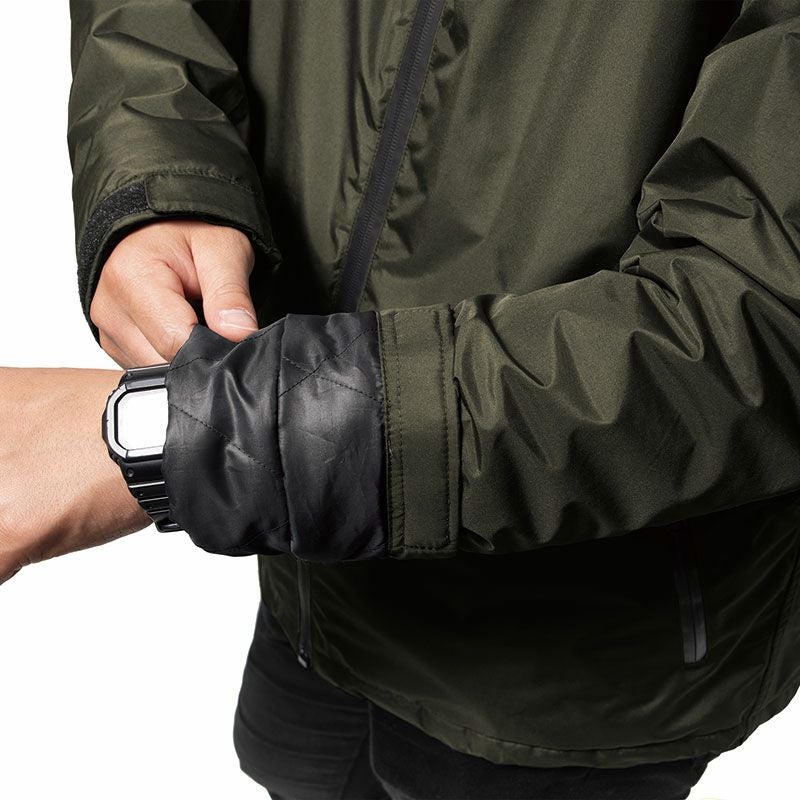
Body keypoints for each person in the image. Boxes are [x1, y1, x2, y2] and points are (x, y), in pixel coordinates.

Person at [2, 0, 800, 797]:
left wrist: (190, 431)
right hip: (311, 572)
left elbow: (761, 311)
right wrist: (161, 172)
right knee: (285, 761)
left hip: (579, 660)